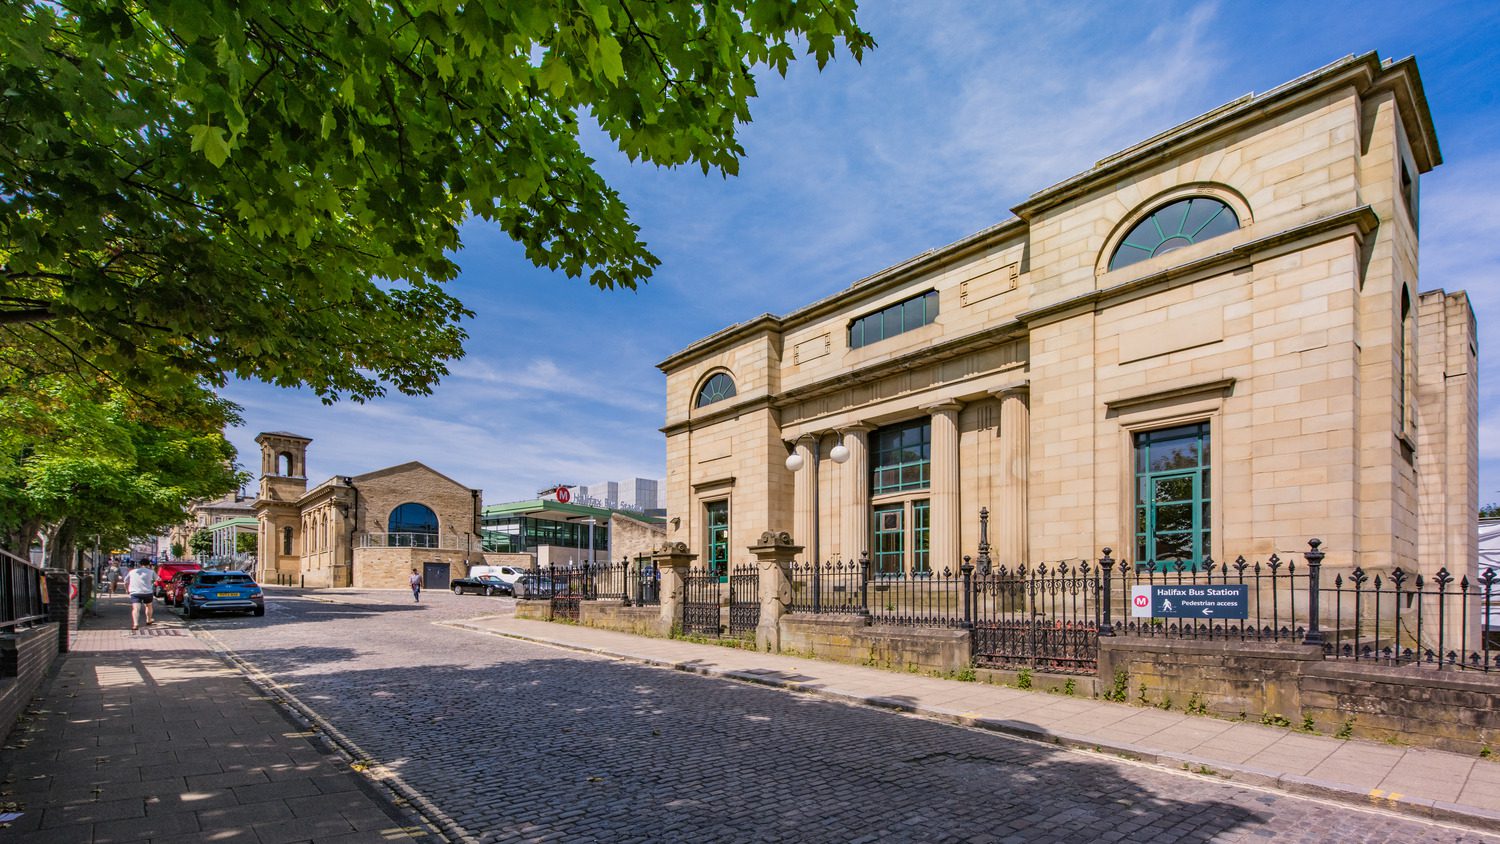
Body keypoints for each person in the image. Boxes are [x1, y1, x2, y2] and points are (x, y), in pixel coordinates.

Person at [124, 562, 158, 631]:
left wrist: (127, 590)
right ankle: (148, 620)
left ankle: (135, 624)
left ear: (139, 565)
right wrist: (152, 582)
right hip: (147, 592)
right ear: (148, 565)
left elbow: (125, 581)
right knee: (149, 606)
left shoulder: (132, 572)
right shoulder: (151, 572)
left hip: (135, 592)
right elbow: (158, 579)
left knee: (136, 609)